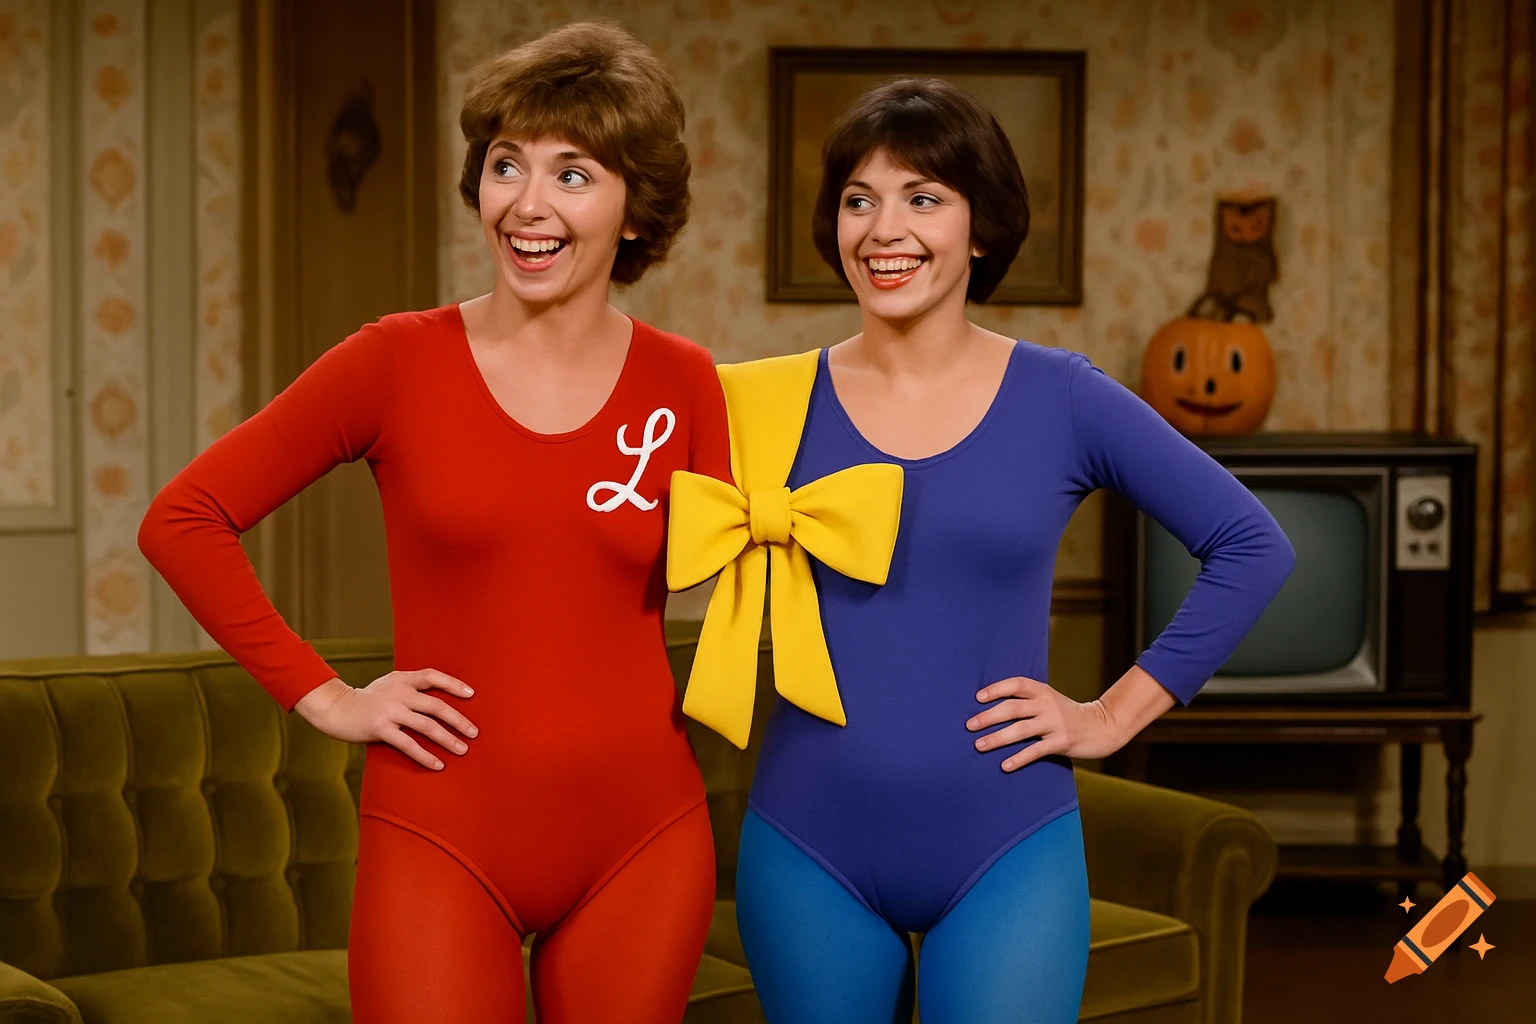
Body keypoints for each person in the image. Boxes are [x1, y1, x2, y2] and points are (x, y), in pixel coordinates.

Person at [138, 22, 729, 1024]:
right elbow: (183, 517)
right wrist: (324, 697)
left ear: (637, 210)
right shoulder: (394, 362)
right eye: (507, 166)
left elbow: (761, 576)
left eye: (573, 174)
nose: (528, 205)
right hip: (440, 832)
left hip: (645, 837)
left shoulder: (688, 381)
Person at [678, 78, 1297, 1024]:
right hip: (808, 846)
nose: (885, 228)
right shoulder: (756, 403)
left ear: (983, 228)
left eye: (923, 197)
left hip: (1007, 846)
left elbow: (1251, 543)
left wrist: (1115, 714)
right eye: (859, 199)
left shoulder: (1064, 397)